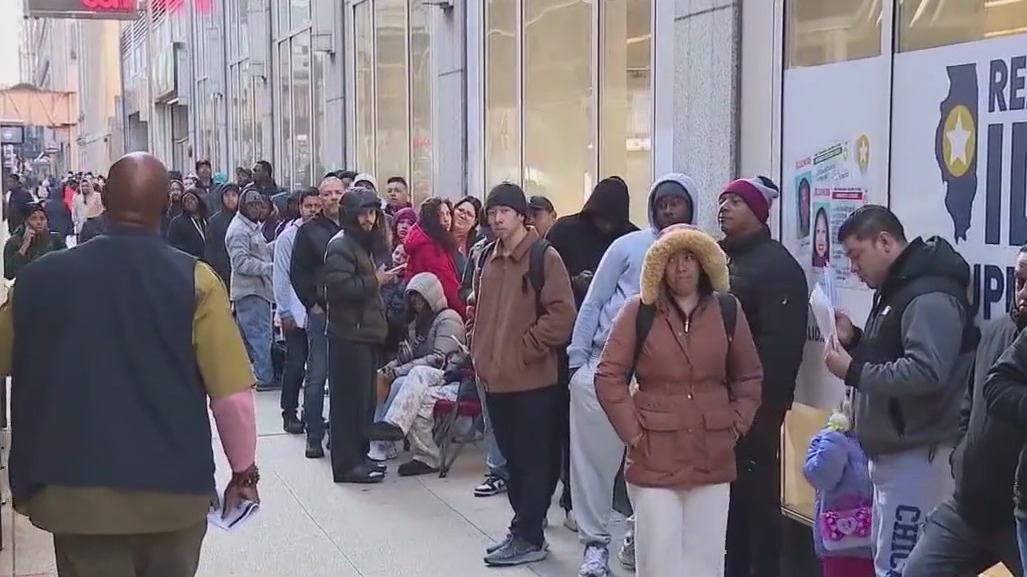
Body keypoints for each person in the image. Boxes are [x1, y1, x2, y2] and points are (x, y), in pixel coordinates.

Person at [1, 152, 259, 577]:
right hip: (173, 493)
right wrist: (244, 474)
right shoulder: (195, 281)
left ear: (103, 200)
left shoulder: (39, 280)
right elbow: (233, 399)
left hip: (73, 491)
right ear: (167, 206)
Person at [594, 227, 762, 577]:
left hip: (712, 451)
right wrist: (634, 434)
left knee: (706, 561)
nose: (681, 267)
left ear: (703, 263)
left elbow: (748, 375)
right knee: (659, 561)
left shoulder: (727, 309)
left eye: (688, 257)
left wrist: (735, 425)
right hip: (655, 454)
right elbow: (608, 376)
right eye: (671, 259)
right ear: (658, 266)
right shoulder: (639, 311)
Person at [825, 205, 975, 577]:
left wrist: (853, 371)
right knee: (890, 559)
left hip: (919, 454)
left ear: (885, 241)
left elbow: (925, 372)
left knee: (901, 564)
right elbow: (891, 357)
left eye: (856, 256)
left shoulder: (928, 295)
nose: (854, 269)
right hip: (896, 454)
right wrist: (855, 341)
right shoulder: (898, 290)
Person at [566, 173, 698, 574]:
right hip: (602, 369)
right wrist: (576, 362)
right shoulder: (627, 246)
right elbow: (594, 301)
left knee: (655, 466)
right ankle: (594, 545)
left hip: (665, 380)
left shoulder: (702, 253)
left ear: (690, 206)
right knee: (593, 464)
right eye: (663, 202)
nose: (669, 208)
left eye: (677, 202)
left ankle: (636, 538)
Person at [469, 182, 576, 566]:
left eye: (505, 211)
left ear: (521, 216)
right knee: (512, 461)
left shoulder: (543, 257)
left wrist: (521, 350)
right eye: (492, 212)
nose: (497, 218)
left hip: (532, 381)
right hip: (495, 379)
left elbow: (562, 316)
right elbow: (475, 308)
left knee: (534, 461)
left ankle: (529, 534)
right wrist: (477, 349)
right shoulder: (487, 256)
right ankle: (523, 527)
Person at [902, 247, 1027, 577]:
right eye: (1020, 282)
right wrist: (962, 454)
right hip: (968, 508)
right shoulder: (998, 332)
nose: (1023, 294)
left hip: (1019, 517)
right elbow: (970, 403)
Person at [718, 176, 809, 577]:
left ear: (758, 212)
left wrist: (756, 409)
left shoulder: (776, 267)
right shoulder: (720, 260)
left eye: (735, 201)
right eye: (722, 200)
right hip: (720, 406)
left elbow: (779, 349)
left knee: (759, 508)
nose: (724, 207)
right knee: (730, 509)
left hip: (757, 411)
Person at [546, 175, 638, 539]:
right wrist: (573, 281)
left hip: (614, 348)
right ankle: (567, 498)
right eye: (599, 219)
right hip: (570, 343)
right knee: (563, 430)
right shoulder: (565, 232)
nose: (603, 227)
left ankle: (591, 505)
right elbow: (546, 281)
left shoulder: (629, 239)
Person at [322, 185, 393, 483]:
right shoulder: (340, 245)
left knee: (363, 402)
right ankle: (347, 464)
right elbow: (338, 291)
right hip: (347, 336)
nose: (369, 220)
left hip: (362, 335)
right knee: (348, 405)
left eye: (373, 213)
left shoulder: (361, 244)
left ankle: (359, 458)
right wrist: (375, 281)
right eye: (363, 214)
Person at [369, 271, 465, 475]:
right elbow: (408, 356)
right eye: (411, 296)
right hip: (425, 381)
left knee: (404, 380)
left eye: (419, 296)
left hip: (449, 377)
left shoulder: (449, 319)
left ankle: (390, 431)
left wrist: (398, 371)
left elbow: (439, 359)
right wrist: (391, 368)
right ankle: (383, 438)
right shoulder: (418, 322)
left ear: (432, 295)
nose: (415, 301)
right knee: (383, 377)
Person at [290, 175, 345, 458]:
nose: (334, 197)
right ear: (320, 198)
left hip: (349, 313)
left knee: (343, 378)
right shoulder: (309, 231)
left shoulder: (354, 225)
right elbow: (298, 272)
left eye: (338, 192)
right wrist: (312, 303)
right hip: (322, 313)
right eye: (328, 193)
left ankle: (339, 434)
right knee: (317, 375)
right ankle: (314, 434)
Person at [802, 402, 874, 577]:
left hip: (874, 546)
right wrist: (835, 435)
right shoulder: (828, 439)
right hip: (838, 548)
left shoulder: (879, 443)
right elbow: (821, 477)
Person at [274, 187, 322, 435]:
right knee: (295, 364)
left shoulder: (324, 233)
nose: (313, 210)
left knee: (316, 369)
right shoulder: (287, 238)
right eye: (309, 206)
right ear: (300, 207)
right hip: (294, 311)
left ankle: (311, 413)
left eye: (317, 206)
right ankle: (289, 412)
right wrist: (284, 311)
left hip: (318, 312)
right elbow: (280, 276)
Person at [225, 189, 276, 391]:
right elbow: (241, 263)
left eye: (259, 204)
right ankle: (265, 378)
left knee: (253, 336)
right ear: (243, 206)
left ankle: (257, 375)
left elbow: (260, 251)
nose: (256, 208)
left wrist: (277, 247)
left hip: (258, 291)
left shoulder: (252, 227)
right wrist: (269, 268)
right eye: (252, 205)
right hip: (250, 292)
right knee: (259, 336)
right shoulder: (239, 230)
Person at [404, 197, 466, 318]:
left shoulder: (436, 241)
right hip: (435, 312)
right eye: (440, 214)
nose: (446, 219)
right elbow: (448, 287)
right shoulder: (429, 248)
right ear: (431, 219)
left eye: (448, 213)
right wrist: (466, 314)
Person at [4, 202, 67, 280]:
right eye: (33, 218)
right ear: (26, 222)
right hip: (26, 287)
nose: (39, 222)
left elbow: (66, 264)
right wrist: (24, 247)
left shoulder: (55, 239)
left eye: (42, 218)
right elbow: (8, 274)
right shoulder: (14, 242)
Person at [204, 183, 241, 290]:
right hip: (222, 271)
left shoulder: (244, 219)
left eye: (233, 195)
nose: (230, 199)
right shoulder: (214, 221)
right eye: (227, 196)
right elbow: (210, 248)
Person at [166, 188, 209, 258]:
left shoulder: (207, 219)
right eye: (186, 200)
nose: (190, 202)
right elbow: (173, 248)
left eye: (192, 199)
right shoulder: (177, 223)